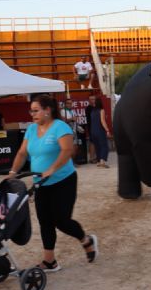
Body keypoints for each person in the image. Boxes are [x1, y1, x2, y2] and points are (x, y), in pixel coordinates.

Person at [9, 94, 98, 272]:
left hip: (63, 181)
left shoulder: (60, 127)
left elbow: (67, 150)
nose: (32, 114)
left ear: (47, 111)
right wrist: (12, 173)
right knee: (45, 222)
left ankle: (86, 239)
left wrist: (52, 169)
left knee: (62, 221)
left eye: (35, 111)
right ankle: (50, 261)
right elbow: (22, 153)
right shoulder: (32, 130)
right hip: (41, 183)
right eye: (31, 111)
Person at [90, 97, 111, 168]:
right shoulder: (101, 110)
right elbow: (102, 121)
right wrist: (107, 130)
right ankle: (102, 162)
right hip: (100, 130)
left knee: (97, 146)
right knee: (104, 146)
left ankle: (98, 161)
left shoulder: (92, 111)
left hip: (93, 131)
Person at [85, 95, 97, 163]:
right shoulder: (88, 108)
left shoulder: (96, 107)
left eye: (94, 99)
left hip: (96, 127)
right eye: (91, 99)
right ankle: (91, 158)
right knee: (92, 142)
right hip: (91, 127)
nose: (93, 100)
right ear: (89, 100)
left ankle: (94, 157)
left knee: (95, 142)